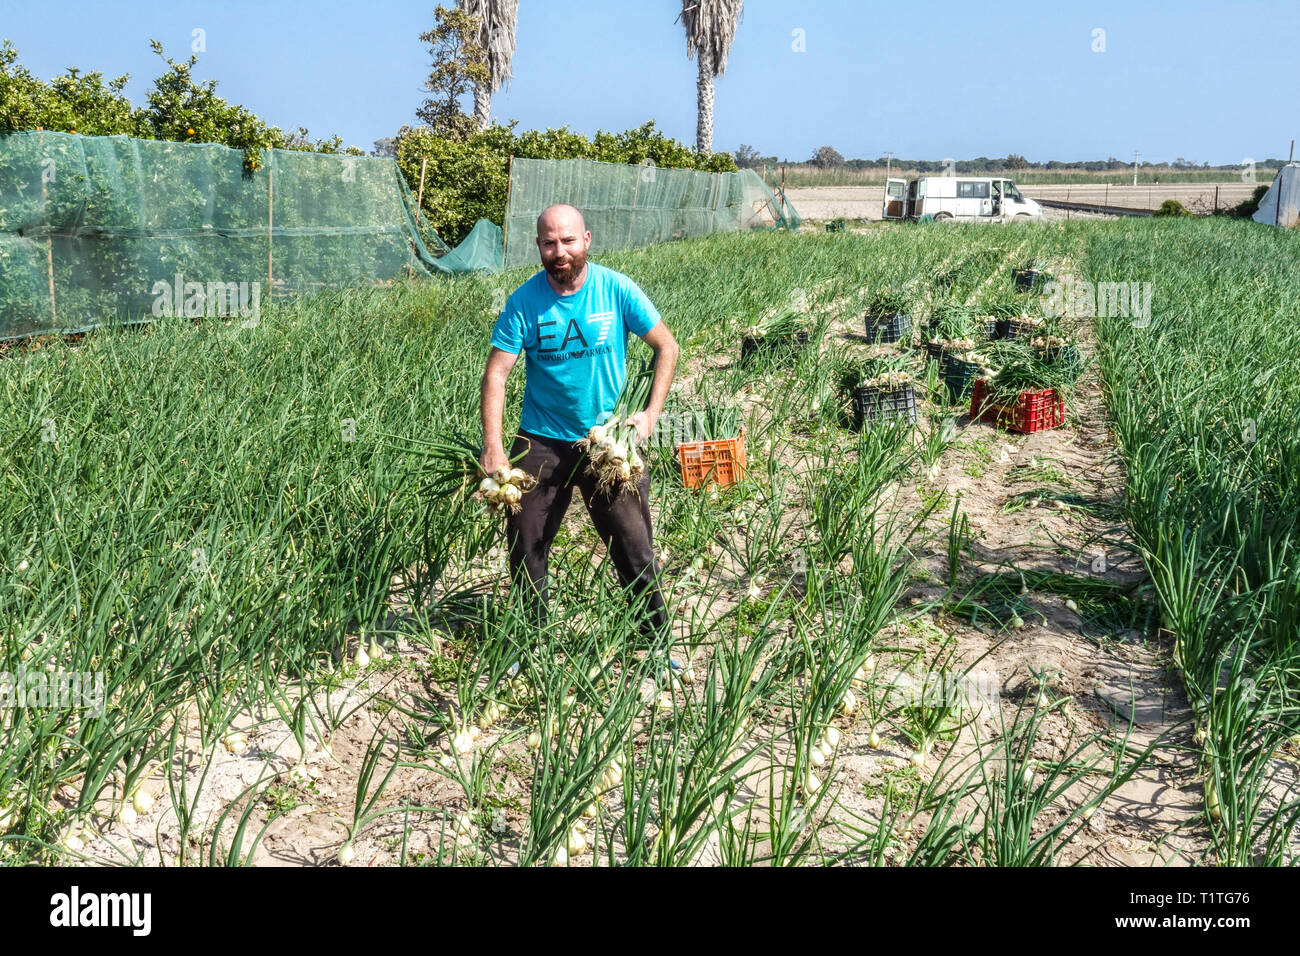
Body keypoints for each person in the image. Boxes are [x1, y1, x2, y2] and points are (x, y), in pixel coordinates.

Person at [479, 203, 679, 649]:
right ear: (538, 247)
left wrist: (651, 414)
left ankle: (655, 643)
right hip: (542, 438)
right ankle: (533, 642)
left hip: (607, 441)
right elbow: (497, 373)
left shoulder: (616, 289)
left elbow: (666, 347)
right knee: (525, 546)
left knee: (634, 548)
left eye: (568, 240)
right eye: (549, 243)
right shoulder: (524, 302)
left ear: (586, 240)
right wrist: (493, 445)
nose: (559, 251)